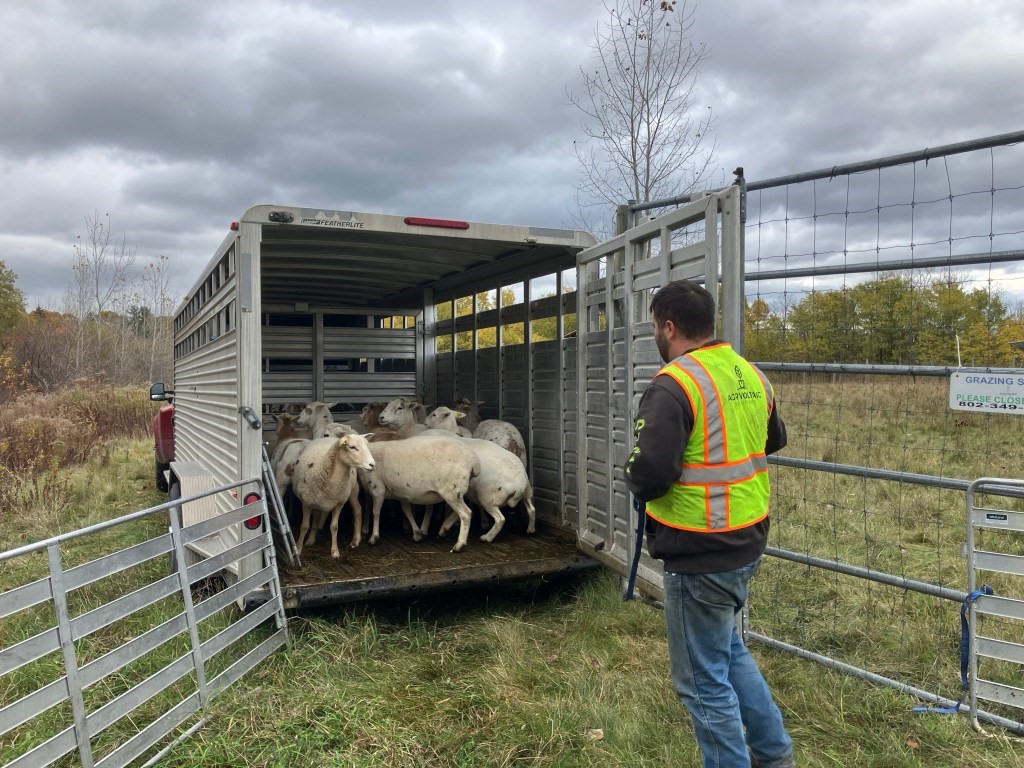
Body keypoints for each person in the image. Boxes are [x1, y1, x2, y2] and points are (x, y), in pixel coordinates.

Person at [624, 280, 795, 768]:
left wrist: (630, 473)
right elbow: (771, 440)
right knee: (727, 650)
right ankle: (773, 753)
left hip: (699, 549)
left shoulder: (674, 382)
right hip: (746, 540)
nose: (657, 335)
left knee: (701, 682)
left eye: (656, 326)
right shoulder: (749, 374)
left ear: (670, 327)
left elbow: (652, 473)